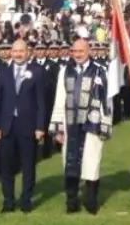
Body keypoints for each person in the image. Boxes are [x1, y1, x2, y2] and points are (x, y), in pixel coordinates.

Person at [48, 38, 112, 215]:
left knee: (91, 163)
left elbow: (106, 99)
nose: (78, 55)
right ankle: (71, 202)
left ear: (88, 51)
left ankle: (91, 202)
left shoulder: (99, 70)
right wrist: (58, 128)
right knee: (70, 162)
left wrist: (105, 124)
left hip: (92, 123)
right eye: (74, 51)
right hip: (70, 123)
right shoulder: (64, 71)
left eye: (81, 51)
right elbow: (60, 99)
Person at [0, 39, 47, 213]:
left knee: (28, 165)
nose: (18, 54)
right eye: (15, 51)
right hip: (6, 126)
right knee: (6, 166)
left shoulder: (37, 72)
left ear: (27, 52)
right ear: (11, 53)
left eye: (21, 51)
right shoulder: (3, 72)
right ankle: (8, 201)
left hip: (28, 126)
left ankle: (26, 200)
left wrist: (40, 127)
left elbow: (41, 103)